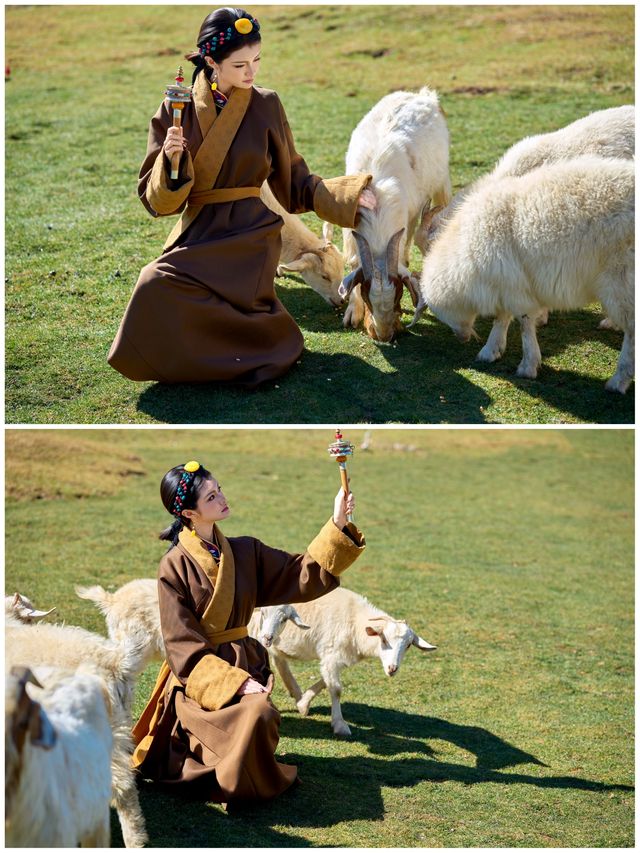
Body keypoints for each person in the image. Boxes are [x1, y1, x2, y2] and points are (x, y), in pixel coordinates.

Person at [108, 7, 376, 387]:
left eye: (257, 60)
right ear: (211, 62)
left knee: (216, 297)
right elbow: (159, 202)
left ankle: (247, 351)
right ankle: (196, 361)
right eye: (240, 65)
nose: (252, 72)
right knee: (153, 282)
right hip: (200, 230)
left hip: (251, 235)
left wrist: (350, 196)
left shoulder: (266, 104)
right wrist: (171, 162)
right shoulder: (176, 108)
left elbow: (295, 181)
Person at [132, 460, 365, 804]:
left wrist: (337, 522)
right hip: (201, 678)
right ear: (189, 513)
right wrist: (236, 684)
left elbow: (299, 572)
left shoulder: (245, 551)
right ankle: (220, 767)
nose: (222, 498)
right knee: (257, 713)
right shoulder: (173, 566)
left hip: (246, 662)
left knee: (260, 715)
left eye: (219, 489)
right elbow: (182, 645)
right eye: (211, 497)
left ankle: (243, 769)